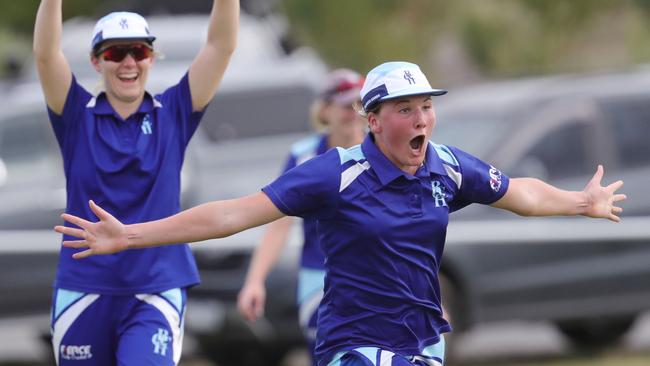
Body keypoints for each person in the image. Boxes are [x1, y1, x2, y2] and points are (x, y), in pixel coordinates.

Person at [55, 61, 626, 366]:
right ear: (373, 120)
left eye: (426, 106)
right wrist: (132, 235)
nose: (422, 119)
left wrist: (579, 202)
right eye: (406, 109)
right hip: (352, 344)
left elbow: (519, 193)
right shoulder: (333, 173)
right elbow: (233, 214)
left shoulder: (446, 168)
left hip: (422, 341)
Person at [34, 1, 239, 365]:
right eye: (116, 52)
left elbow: (220, 46)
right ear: (97, 62)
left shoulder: (173, 111)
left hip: (155, 289)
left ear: (151, 58)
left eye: (139, 51)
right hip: (84, 288)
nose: (129, 62)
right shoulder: (77, 116)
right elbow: (47, 54)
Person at [237, 68, 366, 365]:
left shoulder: (383, 153)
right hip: (319, 277)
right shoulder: (305, 156)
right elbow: (280, 225)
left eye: (360, 105)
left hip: (374, 277)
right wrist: (255, 281)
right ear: (325, 110)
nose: (353, 113)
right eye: (346, 105)